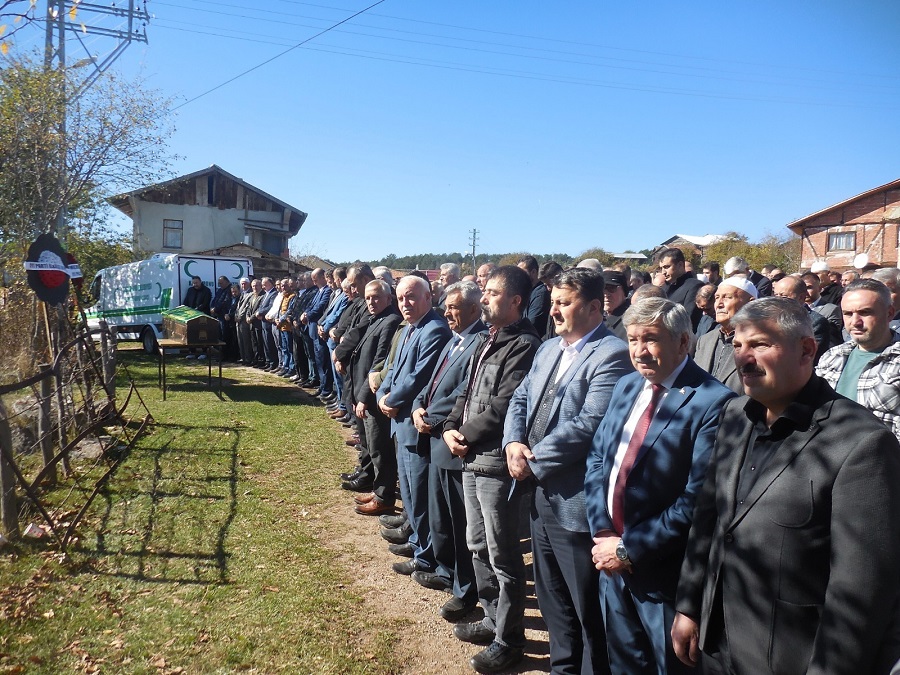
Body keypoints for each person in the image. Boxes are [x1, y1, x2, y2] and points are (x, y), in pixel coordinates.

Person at [673, 297, 900, 675]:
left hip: (790, 657)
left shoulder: (862, 445)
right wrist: (689, 604)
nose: (743, 359)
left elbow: (862, 589)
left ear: (807, 349)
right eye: (738, 346)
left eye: (761, 345)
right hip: (718, 645)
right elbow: (709, 518)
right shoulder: (735, 415)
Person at [584, 297, 735, 674]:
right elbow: (598, 459)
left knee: (668, 665)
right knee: (624, 663)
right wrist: (604, 532)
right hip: (611, 559)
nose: (638, 351)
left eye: (650, 339)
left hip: (663, 574)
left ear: (684, 342)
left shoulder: (714, 402)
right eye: (633, 340)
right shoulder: (626, 386)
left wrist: (629, 548)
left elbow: (697, 499)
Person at [504, 267, 632, 675]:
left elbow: (591, 423)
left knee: (586, 610)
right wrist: (512, 443)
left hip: (575, 503)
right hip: (541, 494)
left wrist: (531, 459)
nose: (554, 311)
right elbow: (521, 397)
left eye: (564, 303)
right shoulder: (549, 348)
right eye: (554, 301)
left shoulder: (612, 354)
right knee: (552, 600)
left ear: (595, 307)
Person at [442, 265, 542, 674]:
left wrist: (462, 433)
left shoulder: (525, 344)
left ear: (516, 300)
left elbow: (505, 403)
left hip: (495, 462)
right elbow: (466, 392)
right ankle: (492, 617)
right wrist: (449, 426)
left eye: (492, 293)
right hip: (469, 456)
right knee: (477, 544)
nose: (483, 298)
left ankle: (510, 640)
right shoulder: (487, 339)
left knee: (503, 555)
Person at [411, 280, 488, 620]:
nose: (447, 312)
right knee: (440, 516)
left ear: (474, 308)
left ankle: (466, 589)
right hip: (431, 435)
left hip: (450, 438)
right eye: (447, 306)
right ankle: (445, 573)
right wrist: (416, 405)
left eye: (453, 307)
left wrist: (435, 418)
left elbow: (464, 391)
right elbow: (431, 384)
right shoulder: (454, 341)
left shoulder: (480, 341)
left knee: (460, 525)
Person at [377, 276, 452, 576]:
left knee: (420, 497)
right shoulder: (411, 328)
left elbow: (418, 378)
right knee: (408, 494)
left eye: (410, 297)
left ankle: (426, 555)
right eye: (400, 299)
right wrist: (383, 395)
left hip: (413, 424)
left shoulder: (434, 329)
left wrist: (390, 399)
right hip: (399, 421)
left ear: (428, 297)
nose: (404, 304)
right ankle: (418, 543)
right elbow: (394, 369)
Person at [343, 279, 402, 515]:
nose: (371, 302)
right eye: (368, 298)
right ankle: (377, 488)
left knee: (380, 449)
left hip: (374, 396)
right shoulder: (375, 318)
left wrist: (365, 398)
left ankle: (384, 496)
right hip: (362, 391)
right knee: (370, 444)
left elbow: (378, 363)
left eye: (376, 297)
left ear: (389, 298)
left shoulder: (390, 321)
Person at [817, 278, 900, 441]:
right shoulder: (832, 357)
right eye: (848, 314)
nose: (855, 322)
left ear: (889, 313)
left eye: (865, 312)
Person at [694, 277, 757, 393]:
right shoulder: (704, 341)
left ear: (750, 303)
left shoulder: (759, 345)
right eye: (717, 298)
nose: (719, 304)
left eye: (727, 297)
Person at [772, 275, 833, 362]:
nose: (777, 301)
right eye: (775, 295)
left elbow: (810, 358)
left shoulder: (815, 322)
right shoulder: (769, 319)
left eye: (783, 296)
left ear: (801, 297)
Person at [658, 249, 703, 331]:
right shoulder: (664, 288)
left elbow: (689, 318)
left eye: (667, 267)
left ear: (680, 265)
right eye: (661, 268)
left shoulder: (694, 286)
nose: (663, 272)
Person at [518, 255, 551, 337]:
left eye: (522, 272)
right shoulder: (527, 292)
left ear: (533, 272)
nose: (519, 276)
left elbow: (531, 324)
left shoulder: (540, 293)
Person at [602, 270, 630, 342]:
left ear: (624, 291)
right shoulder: (596, 318)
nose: (606, 294)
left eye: (611, 288)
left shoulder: (630, 321)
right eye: (602, 289)